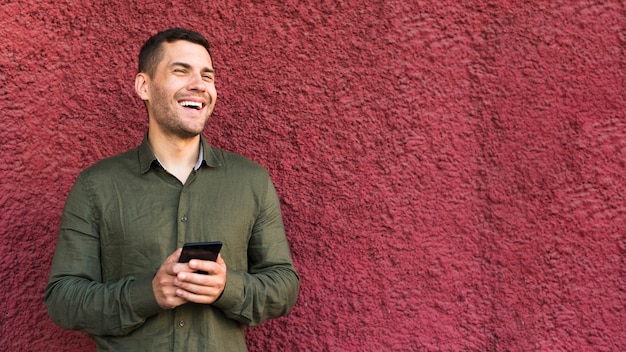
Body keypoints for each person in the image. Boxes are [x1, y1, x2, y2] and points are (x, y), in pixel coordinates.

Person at [45, 28, 300, 351]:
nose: (199, 84)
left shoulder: (251, 181)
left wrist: (227, 288)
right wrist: (147, 294)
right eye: (181, 71)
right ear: (144, 86)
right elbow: (62, 299)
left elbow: (284, 286)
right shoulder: (96, 185)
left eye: (207, 75)